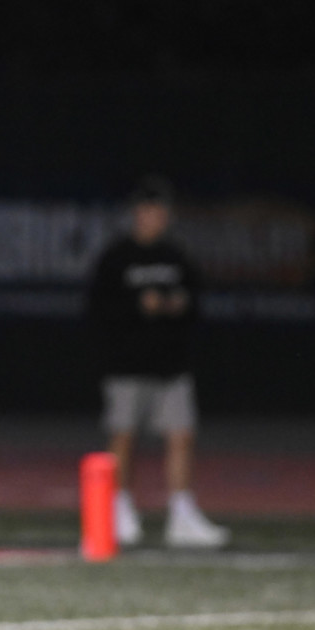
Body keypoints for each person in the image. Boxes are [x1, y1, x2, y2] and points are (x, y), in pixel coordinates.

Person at [86, 175, 228, 549]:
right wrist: (137, 306)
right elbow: (98, 309)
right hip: (127, 365)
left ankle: (181, 513)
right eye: (147, 209)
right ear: (137, 213)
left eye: (159, 210)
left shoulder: (177, 257)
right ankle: (120, 508)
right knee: (124, 437)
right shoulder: (116, 258)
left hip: (172, 365)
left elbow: (196, 303)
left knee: (181, 435)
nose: (153, 217)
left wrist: (176, 305)